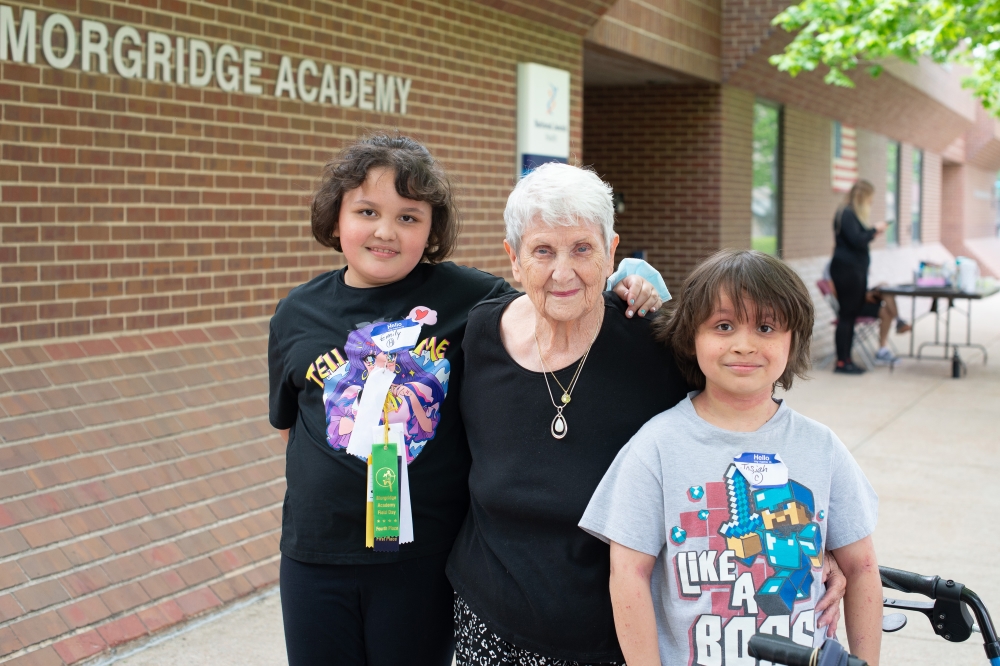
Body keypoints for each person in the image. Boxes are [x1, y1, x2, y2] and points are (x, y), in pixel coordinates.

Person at [268, 135, 662, 666]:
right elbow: (294, 429)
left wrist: (633, 279)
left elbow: (553, 289)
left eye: (409, 217)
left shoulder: (467, 298)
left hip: (421, 558)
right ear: (335, 218)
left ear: (432, 230)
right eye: (367, 211)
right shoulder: (296, 314)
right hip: (316, 555)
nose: (386, 232)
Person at [446, 164, 848, 666]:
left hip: (620, 636)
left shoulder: (655, 344)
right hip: (489, 623)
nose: (563, 271)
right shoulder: (480, 334)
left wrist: (814, 540)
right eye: (543, 251)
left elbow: (745, 427)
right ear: (514, 259)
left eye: (583, 249)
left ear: (612, 251)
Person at [580, 249, 882, 666]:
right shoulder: (656, 447)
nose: (744, 345)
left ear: (793, 338)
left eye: (765, 326)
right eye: (723, 326)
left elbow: (863, 567)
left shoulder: (821, 447)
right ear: (692, 336)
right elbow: (629, 576)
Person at [828, 180, 908, 373]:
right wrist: (874, 230)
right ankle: (842, 362)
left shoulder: (850, 215)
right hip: (847, 272)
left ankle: (847, 359)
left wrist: (872, 231)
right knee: (847, 316)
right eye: (869, 200)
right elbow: (857, 240)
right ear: (862, 197)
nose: (870, 204)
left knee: (851, 315)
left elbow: (857, 237)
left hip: (854, 272)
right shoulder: (846, 213)